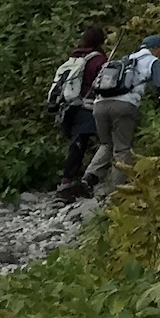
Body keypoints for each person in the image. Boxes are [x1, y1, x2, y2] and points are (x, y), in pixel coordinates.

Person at [84, 34, 160, 192]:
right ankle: (119, 190)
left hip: (100, 105)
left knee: (106, 144)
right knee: (122, 148)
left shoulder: (125, 59)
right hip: (123, 105)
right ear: (155, 48)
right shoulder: (152, 61)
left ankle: (89, 176)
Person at [49, 27, 108, 201]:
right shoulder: (98, 59)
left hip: (68, 105)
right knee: (96, 142)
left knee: (78, 144)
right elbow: (102, 83)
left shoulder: (75, 57)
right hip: (86, 106)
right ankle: (73, 183)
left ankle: (70, 181)